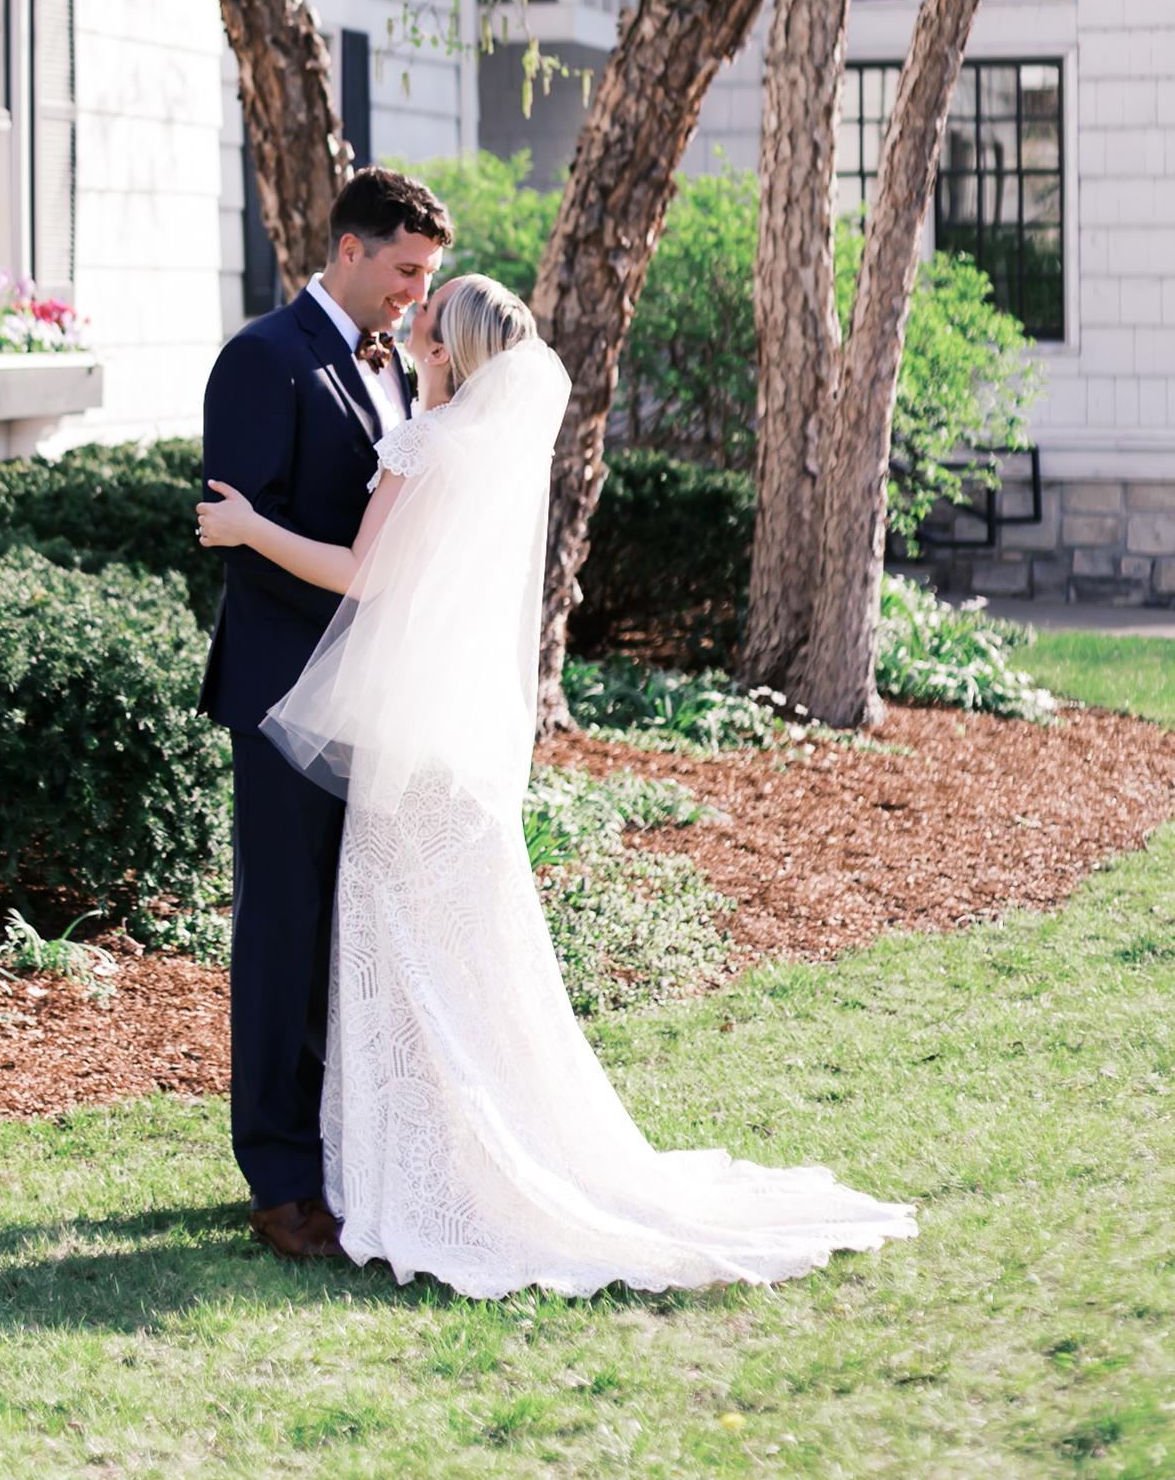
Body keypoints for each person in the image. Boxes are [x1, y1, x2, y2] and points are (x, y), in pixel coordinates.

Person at [200, 271, 917, 1299]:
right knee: (463, 960)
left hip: (403, 753)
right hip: (454, 747)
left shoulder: (425, 442)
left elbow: (364, 574)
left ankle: (403, 1171)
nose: (406, 325)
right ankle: (455, 1152)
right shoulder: (493, 452)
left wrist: (247, 531)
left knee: (395, 953)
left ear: (445, 351)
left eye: (423, 315)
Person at [199, 165, 454, 1261]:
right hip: (281, 696)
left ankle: (336, 1151)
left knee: (344, 931)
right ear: (348, 248)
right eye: (404, 270)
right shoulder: (260, 360)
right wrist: (368, 588)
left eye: (426, 276)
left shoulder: (393, 363)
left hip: (366, 701)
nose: (412, 292)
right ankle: (277, 1179)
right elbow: (231, 528)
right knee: (281, 933)